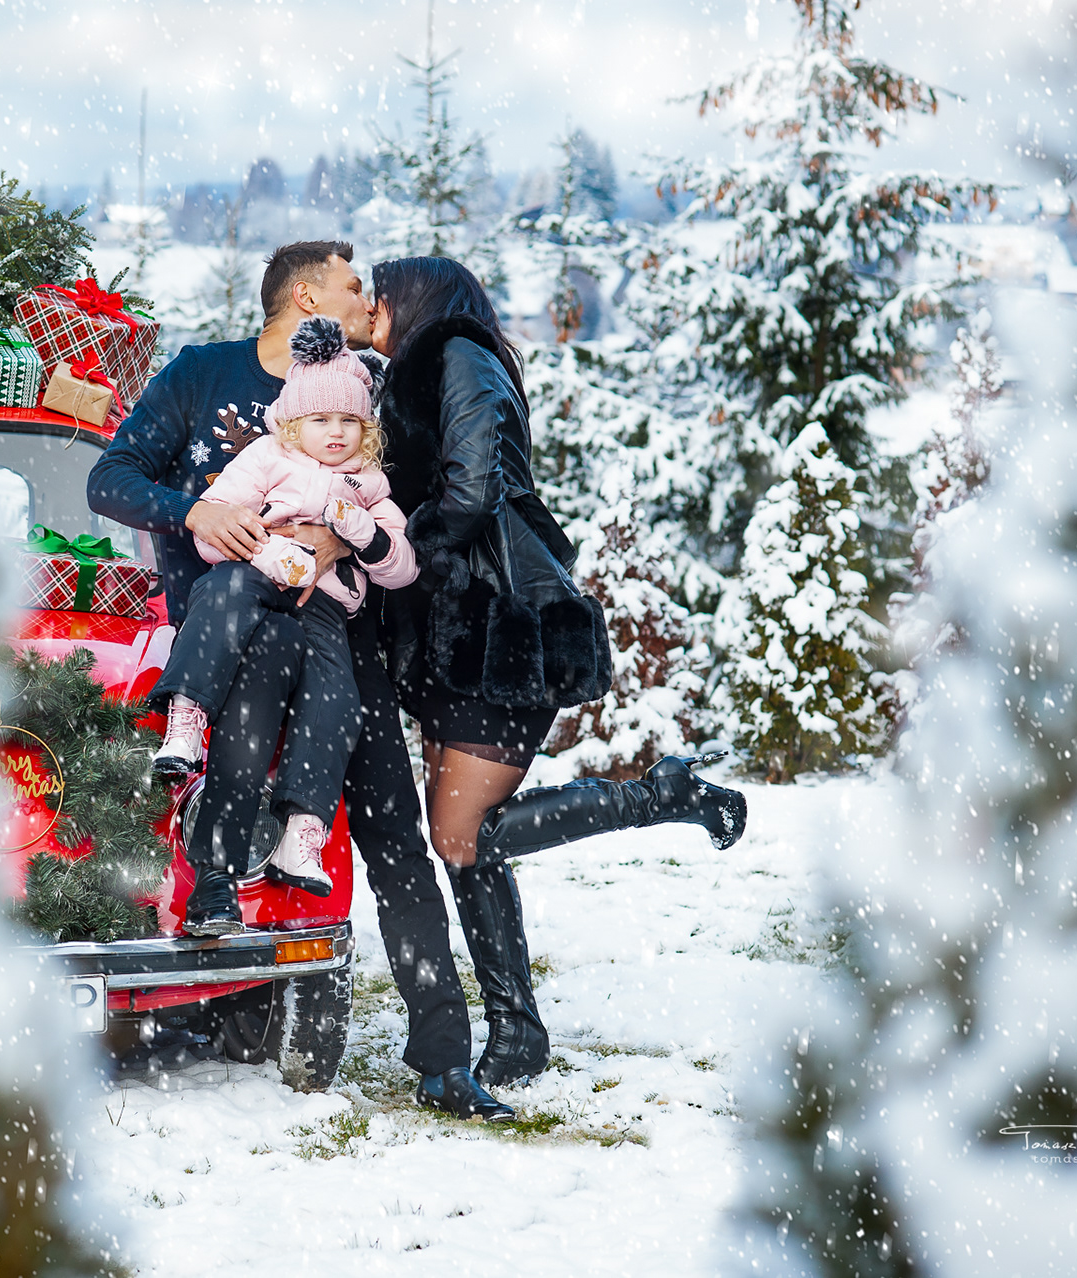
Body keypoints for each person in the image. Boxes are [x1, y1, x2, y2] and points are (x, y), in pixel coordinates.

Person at [88, 242, 513, 1121]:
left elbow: (406, 511)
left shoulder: (367, 393)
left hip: (347, 645)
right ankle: (211, 960)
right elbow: (110, 478)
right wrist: (196, 511)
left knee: (396, 843)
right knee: (229, 792)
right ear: (308, 296)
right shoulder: (203, 376)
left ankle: (443, 1057)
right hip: (237, 636)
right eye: (355, 285)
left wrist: (347, 539)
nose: (371, 301)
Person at [371, 255, 750, 1090]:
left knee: (463, 836)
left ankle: (662, 795)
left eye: (380, 294)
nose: (369, 307)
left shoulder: (459, 354)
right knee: (462, 843)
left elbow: (473, 487)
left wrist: (397, 550)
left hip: (503, 624)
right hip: (457, 634)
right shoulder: (414, 373)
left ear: (417, 299)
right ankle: (517, 1032)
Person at [148, 315, 417, 918]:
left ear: (366, 428)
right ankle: (186, 718)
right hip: (253, 576)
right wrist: (269, 550)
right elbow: (214, 529)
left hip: (321, 607)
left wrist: (358, 533)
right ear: (293, 422)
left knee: (337, 699)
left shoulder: (369, 485)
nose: (336, 432)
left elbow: (401, 567)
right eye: (321, 420)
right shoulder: (267, 456)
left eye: (349, 421)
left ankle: (302, 832)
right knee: (219, 598)